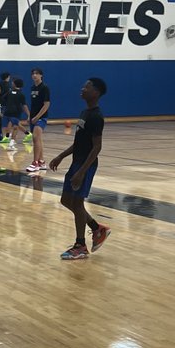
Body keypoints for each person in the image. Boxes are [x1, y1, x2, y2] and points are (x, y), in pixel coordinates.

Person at [49, 77, 111, 260]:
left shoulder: (96, 116)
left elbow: (97, 147)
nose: (82, 88)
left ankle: (80, 245)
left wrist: (82, 171)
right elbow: (78, 143)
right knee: (65, 200)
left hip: (86, 165)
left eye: (87, 86)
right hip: (77, 162)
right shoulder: (85, 112)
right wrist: (61, 156)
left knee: (77, 203)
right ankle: (96, 228)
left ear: (96, 93)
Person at [25, 67, 51, 173]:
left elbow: (47, 104)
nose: (34, 75)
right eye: (33, 73)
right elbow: (34, 105)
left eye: (37, 73)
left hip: (41, 117)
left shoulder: (44, 88)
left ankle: (35, 163)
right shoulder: (32, 88)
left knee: (35, 137)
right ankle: (41, 162)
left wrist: (38, 117)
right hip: (33, 117)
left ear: (41, 75)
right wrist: (30, 116)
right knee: (38, 139)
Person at [0, 76, 29, 147]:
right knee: (11, 125)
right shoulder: (10, 93)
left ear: (15, 84)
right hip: (10, 112)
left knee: (15, 126)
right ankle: (27, 134)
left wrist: (29, 115)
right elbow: (3, 101)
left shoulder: (19, 94)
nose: (11, 83)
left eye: (12, 82)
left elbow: (24, 105)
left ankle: (11, 141)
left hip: (15, 113)